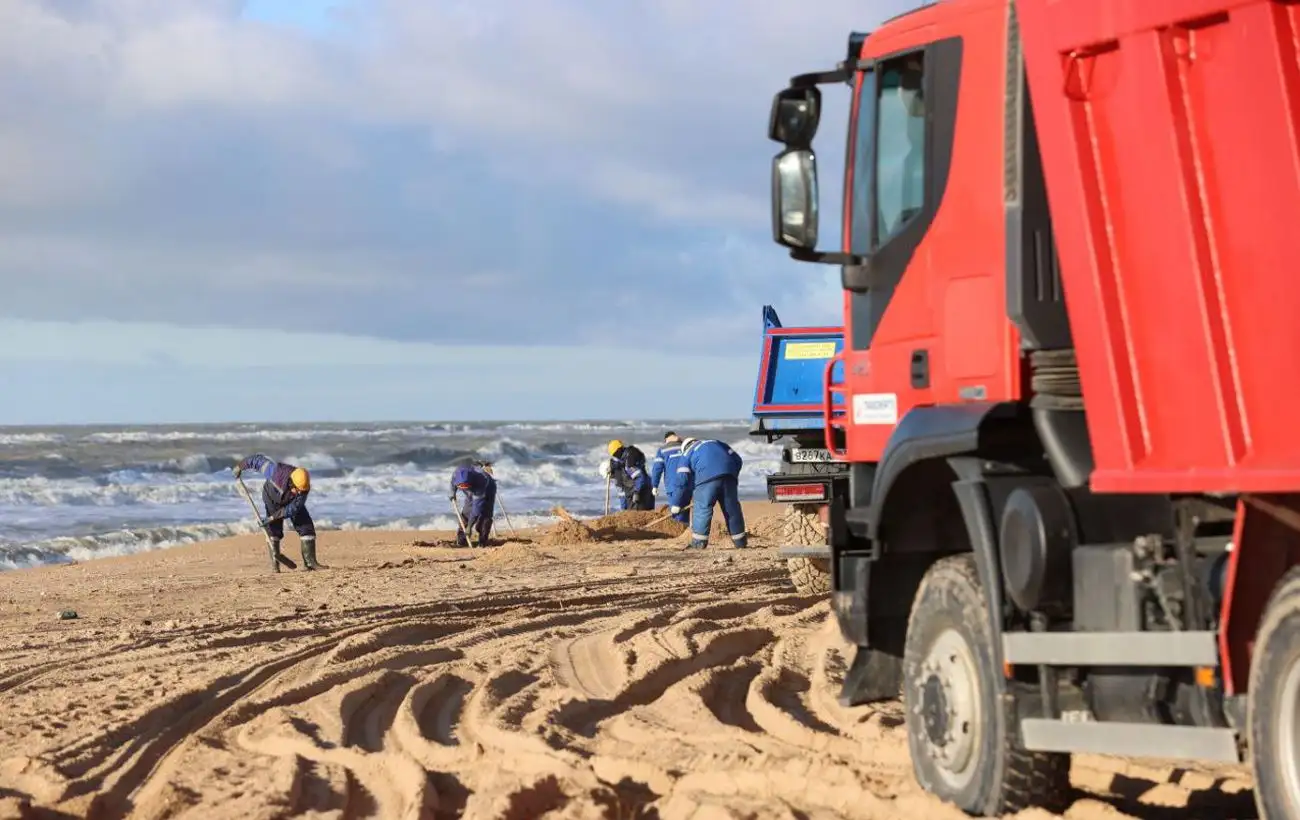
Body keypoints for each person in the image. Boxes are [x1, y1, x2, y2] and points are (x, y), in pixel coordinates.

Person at [232, 454, 319, 570]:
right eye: (297, 490)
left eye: (301, 491)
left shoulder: (303, 488)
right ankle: (275, 564)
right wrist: (240, 466)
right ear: (291, 482)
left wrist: (272, 517)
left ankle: (310, 563)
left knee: (306, 526)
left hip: (291, 503)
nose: (299, 493)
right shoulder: (275, 472)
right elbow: (257, 461)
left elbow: (292, 509)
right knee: (273, 530)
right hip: (271, 498)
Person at [671, 437, 747, 549]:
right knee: (732, 509)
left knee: (702, 508)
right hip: (728, 476)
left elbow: (682, 481)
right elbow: (738, 460)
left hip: (706, 478)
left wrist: (677, 504)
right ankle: (740, 542)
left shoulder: (687, 453)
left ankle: (698, 543)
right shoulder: (718, 442)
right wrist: (731, 474)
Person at [450, 461, 496, 547]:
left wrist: (469, 527)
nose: (463, 488)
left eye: (465, 486)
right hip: (472, 491)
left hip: (488, 490)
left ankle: (482, 542)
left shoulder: (481, 482)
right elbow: (453, 480)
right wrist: (453, 492)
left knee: (484, 516)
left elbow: (476, 510)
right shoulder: (458, 473)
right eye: (461, 487)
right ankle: (461, 541)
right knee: (466, 515)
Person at [599, 439, 654, 511]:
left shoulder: (627, 464)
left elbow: (640, 477)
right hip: (645, 487)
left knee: (639, 516)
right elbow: (622, 495)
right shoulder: (622, 463)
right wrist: (623, 511)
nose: (611, 478)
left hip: (641, 492)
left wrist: (636, 492)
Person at [650, 431, 690, 524]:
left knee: (677, 512)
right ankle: (688, 531)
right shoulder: (685, 447)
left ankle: (681, 533)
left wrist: (654, 485)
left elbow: (657, 468)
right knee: (688, 510)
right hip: (689, 484)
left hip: (673, 486)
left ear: (666, 440)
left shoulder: (662, 450)